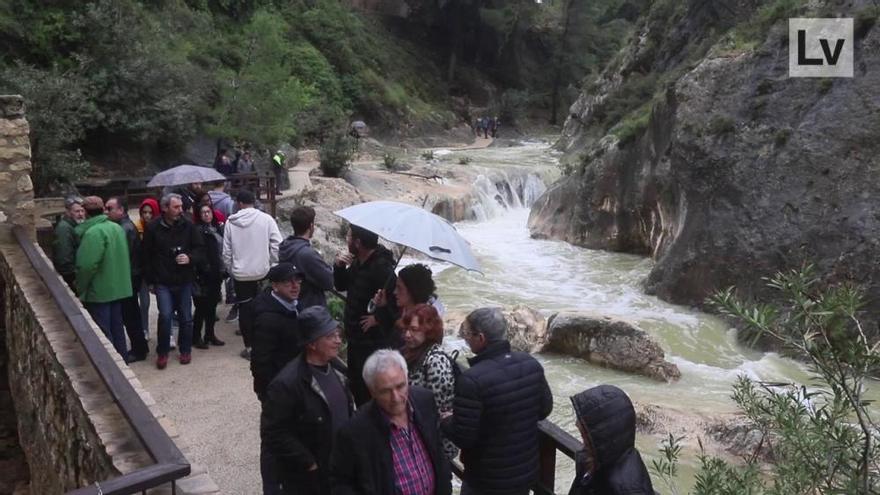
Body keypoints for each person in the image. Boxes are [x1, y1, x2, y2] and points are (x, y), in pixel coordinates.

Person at [441, 307, 553, 495]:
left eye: (467, 333)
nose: (465, 338)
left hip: (486, 479)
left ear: (481, 338)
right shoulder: (530, 363)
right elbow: (544, 409)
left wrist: (446, 420)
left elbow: (463, 436)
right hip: (523, 473)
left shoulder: (471, 380)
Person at [330, 349, 451, 495]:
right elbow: (340, 483)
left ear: (407, 379)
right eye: (385, 391)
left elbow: (437, 449)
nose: (396, 397)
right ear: (372, 391)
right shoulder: (355, 431)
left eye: (400, 386)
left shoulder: (424, 400)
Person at [262, 306, 355, 495]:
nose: (338, 341)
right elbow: (273, 432)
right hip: (310, 480)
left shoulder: (339, 370)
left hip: (338, 469)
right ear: (312, 344)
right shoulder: (286, 384)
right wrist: (309, 462)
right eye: (330, 336)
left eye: (338, 334)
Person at [333, 225, 397, 405]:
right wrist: (339, 266)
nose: (347, 239)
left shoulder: (382, 268)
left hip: (372, 343)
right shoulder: (358, 261)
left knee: (368, 389)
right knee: (355, 384)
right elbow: (341, 286)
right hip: (355, 338)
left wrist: (378, 317)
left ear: (358, 242)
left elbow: (398, 303)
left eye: (349, 236)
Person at [142, 193, 205, 369]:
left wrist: (190, 257)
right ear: (165, 208)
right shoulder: (153, 227)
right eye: (176, 207)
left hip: (184, 279)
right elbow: (146, 255)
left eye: (180, 207)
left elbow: (200, 249)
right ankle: (162, 352)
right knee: (166, 315)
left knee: (186, 317)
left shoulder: (188, 225)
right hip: (163, 280)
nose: (180, 210)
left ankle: (185, 350)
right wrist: (151, 281)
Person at [222, 189, 282, 360]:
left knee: (245, 310)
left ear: (239, 203)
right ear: (254, 201)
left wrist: (232, 269)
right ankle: (265, 343)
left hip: (241, 275)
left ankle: (249, 348)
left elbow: (226, 252)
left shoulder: (231, 222)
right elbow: (277, 244)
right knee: (264, 308)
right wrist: (271, 263)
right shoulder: (266, 219)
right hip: (262, 271)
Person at [75, 196, 133, 361]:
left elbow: (86, 266)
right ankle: (123, 362)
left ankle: (112, 367)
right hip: (118, 288)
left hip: (99, 290)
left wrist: (80, 287)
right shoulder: (116, 228)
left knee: (104, 333)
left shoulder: (93, 232)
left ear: (85, 212)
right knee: (117, 329)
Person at [569, 385, 655, 495]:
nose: (576, 424)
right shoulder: (597, 458)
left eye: (584, 423)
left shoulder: (627, 488)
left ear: (602, 431)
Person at [400, 303, 458, 461]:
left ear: (429, 331)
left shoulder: (435, 361)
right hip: (415, 437)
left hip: (432, 445)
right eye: (406, 329)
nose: (407, 335)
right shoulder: (413, 352)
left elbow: (437, 410)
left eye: (414, 330)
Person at [250, 262, 304, 402]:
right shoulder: (267, 319)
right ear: (275, 286)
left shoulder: (296, 306)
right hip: (279, 386)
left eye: (298, 280)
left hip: (295, 380)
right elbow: (260, 360)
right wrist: (268, 392)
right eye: (287, 282)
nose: (295, 286)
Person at [104, 197, 149, 362]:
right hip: (131, 275)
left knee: (130, 314)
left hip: (129, 277)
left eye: (110, 209)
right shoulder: (123, 226)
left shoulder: (124, 229)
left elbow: (122, 256)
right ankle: (140, 347)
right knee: (131, 314)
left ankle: (139, 349)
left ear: (121, 210)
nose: (106, 212)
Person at [278, 206, 334, 309]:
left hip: (293, 305)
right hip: (309, 308)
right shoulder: (307, 254)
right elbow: (329, 281)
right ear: (311, 226)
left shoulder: (285, 246)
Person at [372, 263, 443, 337]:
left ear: (412, 290)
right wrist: (383, 306)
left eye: (399, 288)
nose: (395, 292)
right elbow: (389, 333)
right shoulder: (402, 311)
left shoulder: (423, 323)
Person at [192, 204, 226, 349]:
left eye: (208, 212)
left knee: (212, 306)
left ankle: (210, 334)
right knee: (201, 307)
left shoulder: (216, 228)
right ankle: (196, 336)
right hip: (203, 273)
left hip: (215, 272)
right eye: (203, 212)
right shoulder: (197, 231)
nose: (206, 214)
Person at [136, 197, 159, 339]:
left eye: (150, 212)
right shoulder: (136, 228)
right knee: (144, 303)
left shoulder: (160, 228)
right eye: (144, 212)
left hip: (158, 270)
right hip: (143, 270)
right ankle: (144, 329)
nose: (147, 215)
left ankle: (167, 333)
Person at [53, 196, 85, 292]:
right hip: (70, 277)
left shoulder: (73, 226)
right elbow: (63, 256)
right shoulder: (64, 229)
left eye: (82, 211)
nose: (81, 214)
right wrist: (72, 278)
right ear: (68, 212)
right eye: (77, 211)